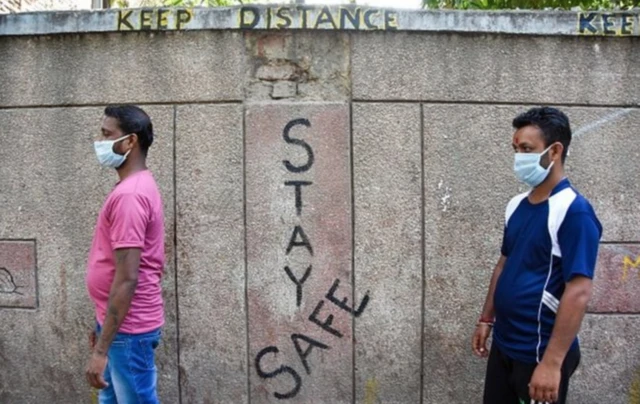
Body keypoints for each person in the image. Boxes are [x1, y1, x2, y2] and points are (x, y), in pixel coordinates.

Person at [472, 107, 602, 404]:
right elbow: (504, 264)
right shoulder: (516, 205)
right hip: (506, 343)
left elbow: (579, 291)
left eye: (527, 149)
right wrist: (486, 319)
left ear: (555, 151)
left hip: (540, 352)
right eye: (516, 149)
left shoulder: (574, 211)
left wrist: (552, 363)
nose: (519, 157)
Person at [85, 105, 165, 404]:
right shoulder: (134, 186)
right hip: (118, 324)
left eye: (107, 135)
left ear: (130, 141)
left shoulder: (130, 196)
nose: (100, 142)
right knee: (111, 400)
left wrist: (101, 350)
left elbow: (128, 278)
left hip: (128, 331)